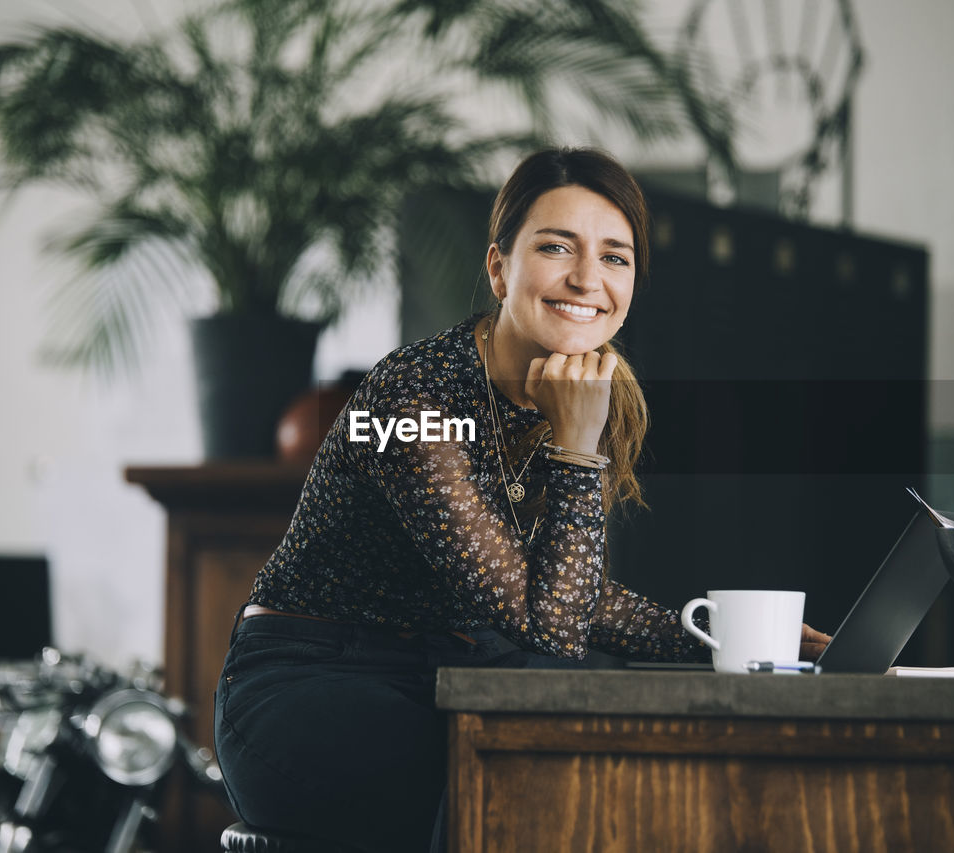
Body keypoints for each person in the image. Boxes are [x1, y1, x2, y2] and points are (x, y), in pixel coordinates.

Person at [214, 147, 832, 852]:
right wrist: (576, 446)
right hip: (310, 683)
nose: (586, 279)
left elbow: (564, 596)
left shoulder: (578, 394)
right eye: (556, 247)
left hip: (446, 677)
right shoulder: (413, 399)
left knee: (587, 758)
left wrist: (728, 641)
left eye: (615, 257)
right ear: (499, 267)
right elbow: (550, 633)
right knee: (530, 771)